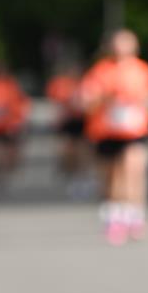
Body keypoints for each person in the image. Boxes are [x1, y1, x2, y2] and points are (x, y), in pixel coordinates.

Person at [82, 29, 148, 244]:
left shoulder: (142, 70)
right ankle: (114, 217)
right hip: (107, 131)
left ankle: (135, 216)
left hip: (134, 130)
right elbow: (88, 101)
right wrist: (106, 98)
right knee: (112, 176)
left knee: (134, 170)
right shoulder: (100, 71)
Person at [46, 65, 92, 196]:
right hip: (67, 122)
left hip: (83, 120)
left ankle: (83, 176)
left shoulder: (86, 83)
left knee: (83, 150)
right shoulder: (61, 84)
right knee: (68, 149)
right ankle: (70, 172)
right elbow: (56, 104)